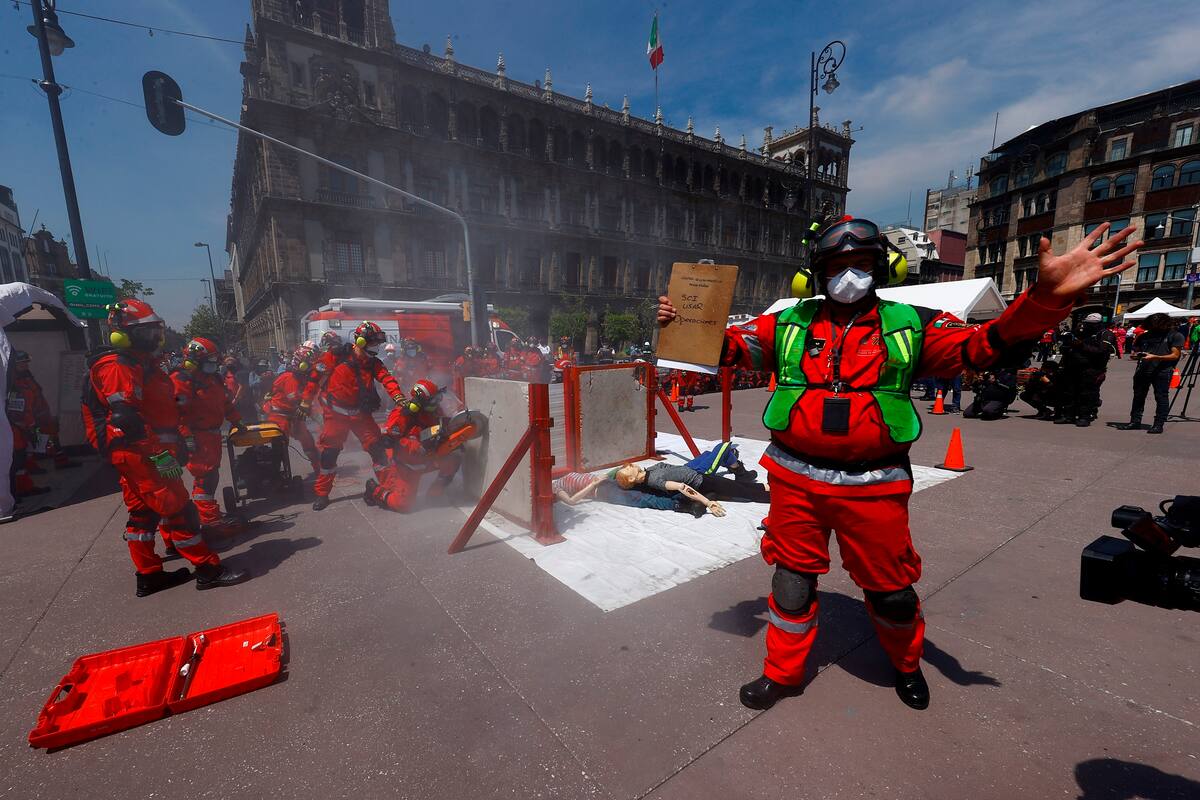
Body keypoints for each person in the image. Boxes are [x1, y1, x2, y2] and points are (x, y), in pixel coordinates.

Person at [658, 216, 1140, 711]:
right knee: (791, 581)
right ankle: (781, 672)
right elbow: (732, 348)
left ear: (883, 268)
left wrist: (1043, 298)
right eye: (838, 266)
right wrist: (683, 324)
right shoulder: (788, 323)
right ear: (816, 274)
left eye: (861, 264)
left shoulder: (914, 323)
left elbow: (983, 347)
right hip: (795, 479)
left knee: (891, 591)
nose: (849, 275)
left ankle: (907, 665)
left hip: (874, 485)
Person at [81, 299, 246, 596]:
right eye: (147, 332)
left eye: (155, 331)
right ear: (123, 334)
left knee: (143, 514)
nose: (155, 338)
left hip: (138, 452)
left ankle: (148, 575)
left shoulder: (140, 365)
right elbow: (127, 419)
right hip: (141, 452)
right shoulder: (118, 366)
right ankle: (208, 569)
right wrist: (160, 455)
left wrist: (177, 441)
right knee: (179, 508)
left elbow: (161, 411)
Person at [312, 321, 404, 510]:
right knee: (329, 454)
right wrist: (306, 402)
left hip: (360, 415)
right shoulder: (336, 356)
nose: (376, 347)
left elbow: (387, 379)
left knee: (378, 450)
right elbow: (315, 378)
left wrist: (398, 396)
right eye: (373, 343)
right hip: (336, 415)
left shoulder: (373, 364)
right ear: (361, 341)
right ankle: (322, 494)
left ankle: (389, 487)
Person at [171, 337, 247, 532]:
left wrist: (237, 421)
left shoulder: (213, 379)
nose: (214, 365)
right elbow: (178, 413)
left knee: (211, 476)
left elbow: (225, 403)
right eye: (209, 361)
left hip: (211, 436)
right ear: (193, 361)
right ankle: (211, 523)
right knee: (205, 479)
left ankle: (207, 516)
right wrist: (186, 437)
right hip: (197, 437)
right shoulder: (181, 381)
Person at [363, 379, 462, 511]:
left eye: (437, 399)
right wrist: (423, 445)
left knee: (453, 460)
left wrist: (454, 435)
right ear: (419, 402)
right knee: (403, 505)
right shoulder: (402, 414)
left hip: (424, 460)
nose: (437, 403)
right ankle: (374, 491)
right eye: (433, 400)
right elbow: (391, 441)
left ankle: (434, 495)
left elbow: (441, 426)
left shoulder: (432, 411)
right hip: (404, 466)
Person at [1115, 312, 1185, 434]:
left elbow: (1175, 355)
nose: (1154, 327)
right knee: (1138, 396)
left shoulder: (1174, 335)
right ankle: (1135, 421)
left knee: (1161, 396)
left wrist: (1155, 357)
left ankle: (1158, 424)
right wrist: (1136, 356)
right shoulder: (1144, 336)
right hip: (1143, 369)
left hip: (1163, 370)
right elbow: (1136, 351)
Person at [262, 345, 322, 476]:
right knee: (279, 447)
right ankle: (275, 475)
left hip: (292, 416)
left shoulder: (301, 378)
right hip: (279, 416)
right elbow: (296, 400)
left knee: (308, 443)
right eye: (310, 363)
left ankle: (320, 470)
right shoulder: (289, 378)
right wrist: (318, 418)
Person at [1054, 312, 1113, 427]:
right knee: (1070, 392)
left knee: (1087, 394)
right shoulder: (1080, 333)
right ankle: (1069, 415)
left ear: (1099, 324)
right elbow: (1068, 345)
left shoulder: (1105, 334)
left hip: (1092, 369)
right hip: (1074, 367)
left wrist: (1081, 345)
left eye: (1092, 324)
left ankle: (1085, 416)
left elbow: (1101, 350)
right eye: (1087, 323)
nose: (1088, 326)